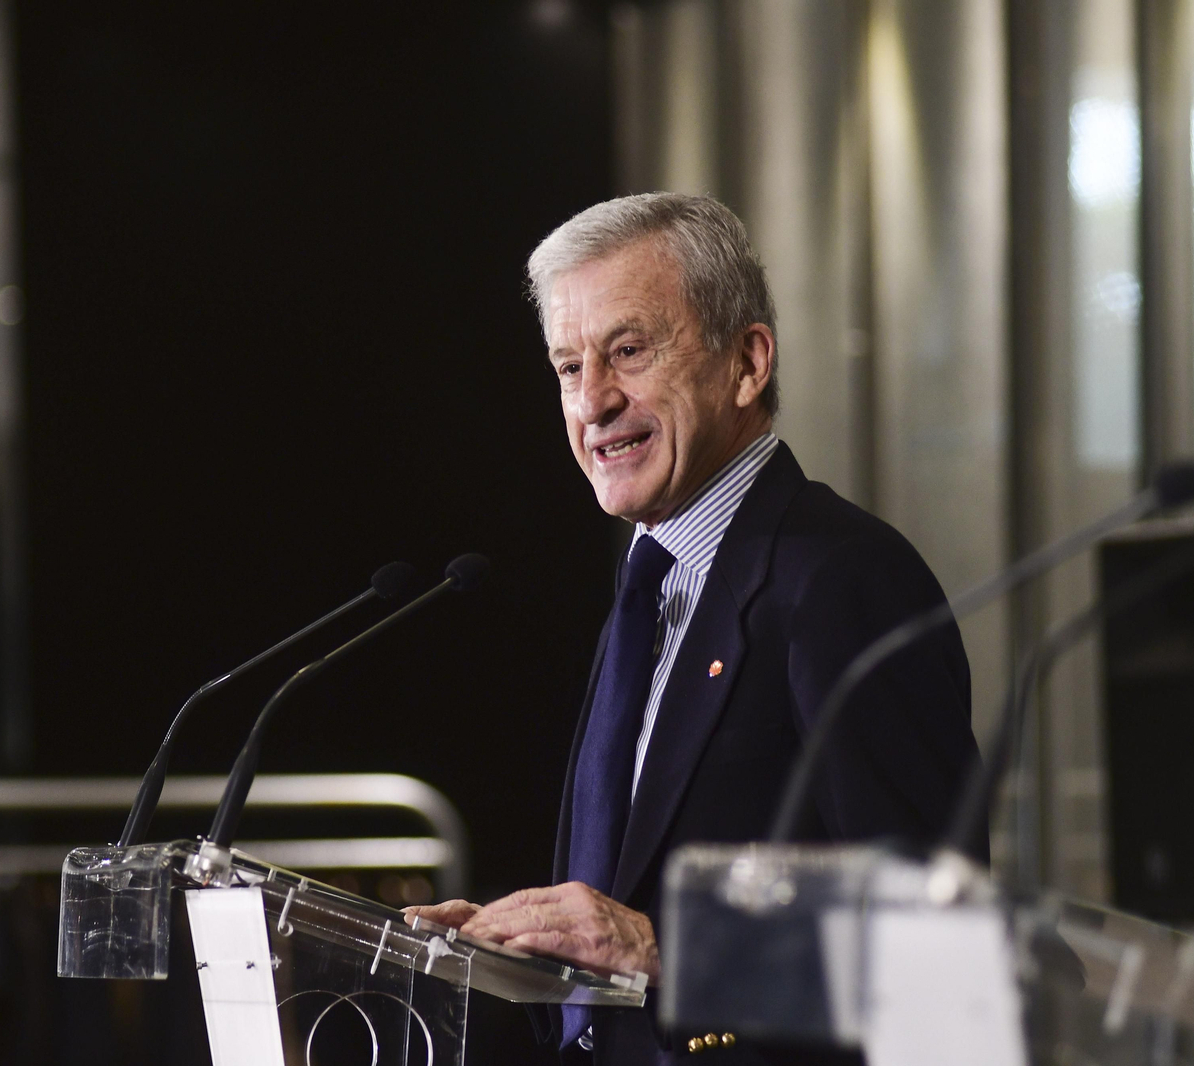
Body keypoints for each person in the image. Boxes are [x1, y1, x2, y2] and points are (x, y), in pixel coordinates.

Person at [407, 193, 985, 1064]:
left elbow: (944, 941)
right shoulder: (651, 593)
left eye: (629, 351)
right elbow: (619, 931)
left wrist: (661, 945)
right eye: (569, 367)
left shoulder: (841, 579)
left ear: (746, 363)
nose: (593, 402)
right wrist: (515, 960)